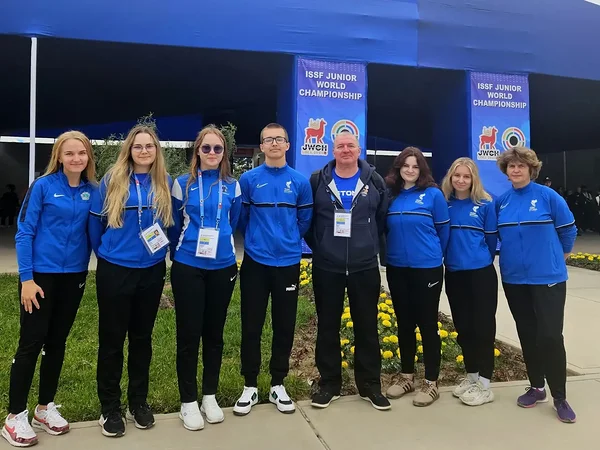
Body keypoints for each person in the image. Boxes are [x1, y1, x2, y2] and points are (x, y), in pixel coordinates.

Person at [4, 131, 96, 447]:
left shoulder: (91, 191)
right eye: (69, 153)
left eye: (81, 153)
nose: (76, 159)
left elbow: (97, 231)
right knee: (31, 342)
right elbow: (24, 232)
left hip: (74, 276)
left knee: (56, 343)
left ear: (88, 157)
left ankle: (45, 408)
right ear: (58, 156)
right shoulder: (43, 187)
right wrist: (27, 279)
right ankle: (15, 415)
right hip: (40, 277)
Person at [89, 125, 173, 437]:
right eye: (138, 146)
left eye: (149, 146)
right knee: (112, 341)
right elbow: (95, 226)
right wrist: (108, 254)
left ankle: (138, 401)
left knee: (141, 339)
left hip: (151, 270)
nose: (144, 151)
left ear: (156, 150)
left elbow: (169, 224)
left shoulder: (162, 181)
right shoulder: (112, 180)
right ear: (129, 149)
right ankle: (109, 407)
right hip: (115, 270)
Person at [305, 131, 390, 411]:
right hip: (327, 266)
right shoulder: (318, 180)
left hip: (364, 266)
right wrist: (321, 246)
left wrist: (367, 245)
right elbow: (309, 221)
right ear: (333, 150)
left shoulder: (374, 180)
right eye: (340, 145)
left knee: (367, 326)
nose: (345, 150)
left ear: (359, 149)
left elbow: (381, 220)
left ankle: (370, 386)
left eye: (350, 145)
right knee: (327, 325)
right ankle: (329, 383)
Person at [233, 123, 313, 416]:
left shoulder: (300, 182)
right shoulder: (249, 179)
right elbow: (242, 219)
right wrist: (258, 239)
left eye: (280, 139)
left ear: (287, 145)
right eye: (269, 140)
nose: (275, 144)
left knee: (284, 326)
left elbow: (304, 222)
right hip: (256, 261)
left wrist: (288, 240)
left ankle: (278, 384)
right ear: (262, 146)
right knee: (251, 325)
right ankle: (250, 385)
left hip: (288, 262)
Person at [496, 146, 577, 423]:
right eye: (511, 166)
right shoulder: (502, 202)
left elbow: (568, 230)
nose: (516, 170)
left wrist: (559, 257)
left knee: (551, 336)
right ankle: (537, 387)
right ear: (506, 171)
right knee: (528, 333)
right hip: (514, 279)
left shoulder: (547, 196)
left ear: (531, 169)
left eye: (521, 166)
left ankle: (560, 396)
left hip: (548, 278)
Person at [168, 125, 242, 430]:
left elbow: (233, 221)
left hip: (223, 266)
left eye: (218, 148)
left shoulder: (233, 186)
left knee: (214, 334)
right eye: (206, 148)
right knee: (189, 335)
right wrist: (182, 250)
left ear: (224, 153)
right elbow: (172, 224)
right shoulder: (182, 184)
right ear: (197, 150)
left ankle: (209, 395)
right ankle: (188, 401)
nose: (212, 153)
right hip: (188, 265)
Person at [384, 147, 449, 407]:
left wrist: (431, 256)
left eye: (415, 166)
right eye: (405, 165)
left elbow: (444, 233)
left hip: (427, 269)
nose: (410, 170)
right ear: (398, 168)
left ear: (422, 170)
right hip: (397, 267)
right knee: (404, 324)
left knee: (427, 324)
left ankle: (431, 382)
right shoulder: (392, 196)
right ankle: (407, 377)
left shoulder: (433, 195)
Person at [440, 157, 498, 406]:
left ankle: (485, 383)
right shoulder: (445, 204)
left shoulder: (485, 203)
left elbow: (492, 241)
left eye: (466, 176)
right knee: (464, 328)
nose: (461, 180)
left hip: (480, 274)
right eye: (457, 176)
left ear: (473, 179)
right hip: (454, 273)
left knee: (483, 327)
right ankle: (472, 376)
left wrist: (478, 258)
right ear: (450, 178)